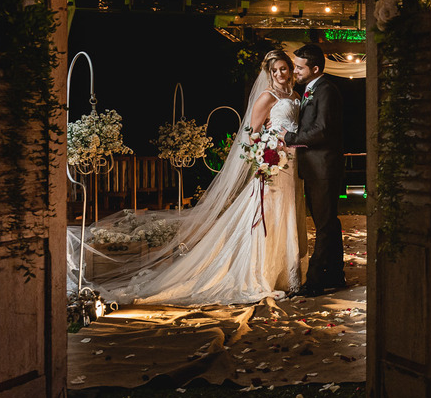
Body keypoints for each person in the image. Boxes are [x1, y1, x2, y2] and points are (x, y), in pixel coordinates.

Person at [74, 50, 303, 306]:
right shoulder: (267, 96)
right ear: (269, 73)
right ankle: (262, 275)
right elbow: (251, 135)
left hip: (292, 164)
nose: (279, 74)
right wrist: (268, 152)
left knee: (287, 214)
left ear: (290, 69)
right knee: (268, 217)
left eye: (283, 68)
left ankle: (285, 274)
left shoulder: (295, 96)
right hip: (273, 166)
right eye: (274, 70)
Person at [284, 43, 346, 295]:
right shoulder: (312, 90)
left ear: (316, 69)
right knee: (328, 222)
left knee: (324, 225)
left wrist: (290, 139)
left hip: (323, 169)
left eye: (300, 67)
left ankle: (315, 281)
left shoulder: (326, 90)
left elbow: (322, 130)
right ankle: (335, 275)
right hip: (315, 168)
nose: (295, 71)